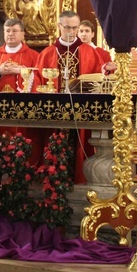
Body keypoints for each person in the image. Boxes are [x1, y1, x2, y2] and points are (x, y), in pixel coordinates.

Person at [32, 10, 104, 183]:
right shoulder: (47, 53)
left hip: (81, 114)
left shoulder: (89, 52)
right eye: (67, 28)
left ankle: (80, 179)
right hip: (53, 114)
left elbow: (99, 82)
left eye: (75, 28)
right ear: (59, 27)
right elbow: (37, 84)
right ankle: (51, 181)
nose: (72, 32)